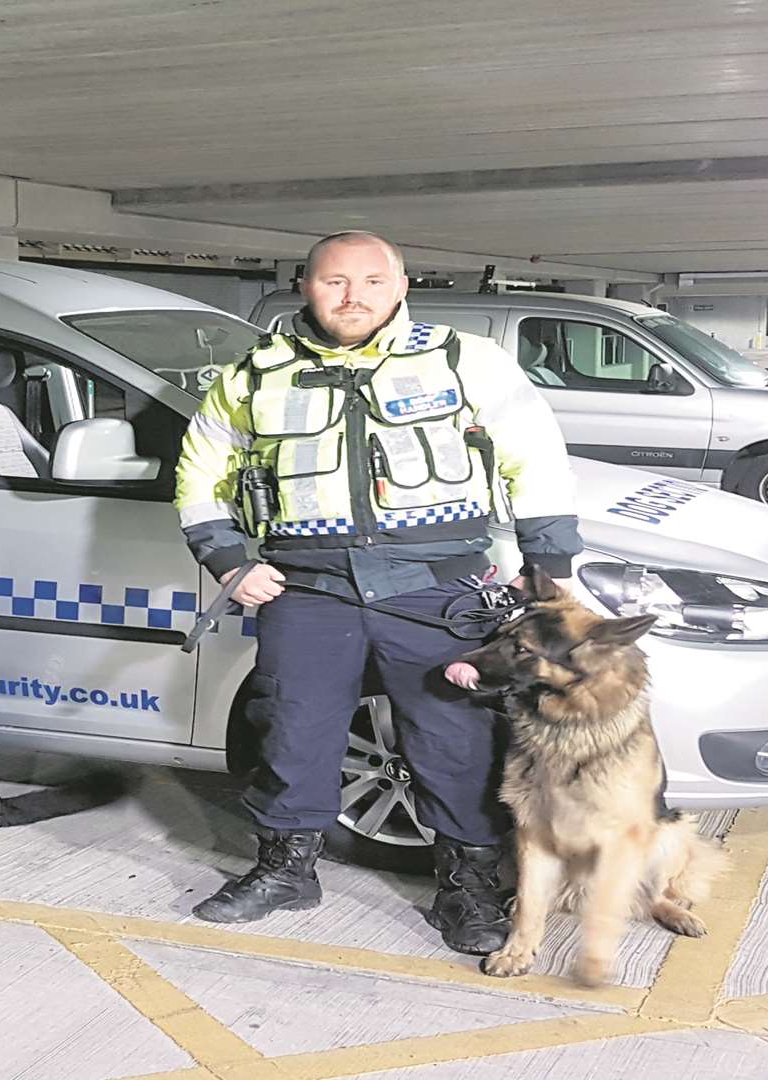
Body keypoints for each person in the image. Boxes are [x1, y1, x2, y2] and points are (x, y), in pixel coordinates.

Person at [174, 232, 581, 954]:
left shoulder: (464, 360)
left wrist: (548, 565)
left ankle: (469, 889)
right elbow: (199, 469)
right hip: (309, 586)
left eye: (370, 280)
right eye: (334, 281)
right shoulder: (251, 374)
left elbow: (534, 454)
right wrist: (228, 560)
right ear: (306, 285)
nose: (352, 295)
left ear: (400, 286)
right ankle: (285, 871)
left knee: (454, 740)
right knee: (292, 731)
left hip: (436, 586)